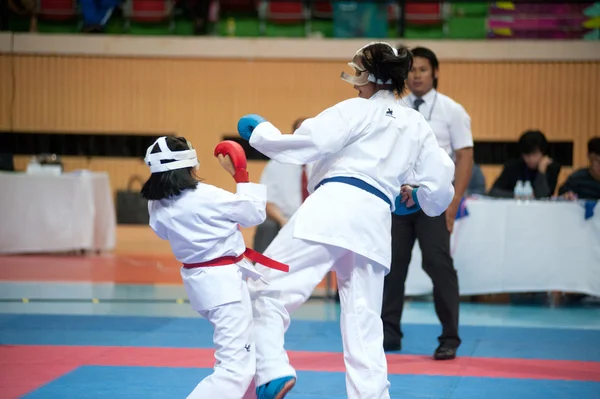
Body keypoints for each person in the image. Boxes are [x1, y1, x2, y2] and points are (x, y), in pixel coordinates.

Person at [237, 42, 456, 399]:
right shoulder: (416, 124)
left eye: (358, 73)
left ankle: (273, 369)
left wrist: (261, 134)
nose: (354, 82)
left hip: (332, 208)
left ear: (373, 77)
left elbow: (306, 144)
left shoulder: (355, 110)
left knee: (265, 289)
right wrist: (418, 197)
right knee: (364, 326)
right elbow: (440, 186)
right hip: (374, 223)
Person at [140, 136, 288, 399]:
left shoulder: (156, 204)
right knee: (234, 369)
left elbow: (162, 232)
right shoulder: (205, 196)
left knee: (254, 340)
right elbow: (254, 213)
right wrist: (240, 173)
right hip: (224, 284)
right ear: (191, 163)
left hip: (202, 283)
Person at [381, 46, 473, 360]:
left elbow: (464, 157)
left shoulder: (452, 110)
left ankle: (449, 338)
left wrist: (453, 202)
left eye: (422, 69)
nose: (416, 75)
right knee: (391, 267)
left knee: (438, 264)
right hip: (398, 199)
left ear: (434, 72)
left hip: (432, 199)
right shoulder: (394, 108)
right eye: (411, 70)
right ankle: (388, 335)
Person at [253, 118, 309, 253]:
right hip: (284, 221)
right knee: (267, 226)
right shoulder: (277, 164)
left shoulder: (325, 163)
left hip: (317, 222)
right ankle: (262, 271)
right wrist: (284, 221)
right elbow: (267, 201)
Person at [489, 130, 561, 198]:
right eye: (526, 155)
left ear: (543, 153)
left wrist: (541, 172)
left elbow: (543, 197)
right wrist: (518, 196)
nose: (531, 159)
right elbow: (493, 192)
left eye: (535, 154)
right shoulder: (512, 167)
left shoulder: (552, 168)